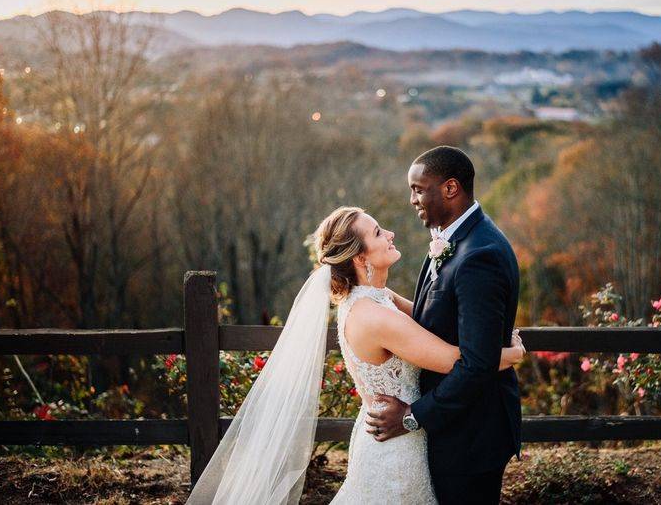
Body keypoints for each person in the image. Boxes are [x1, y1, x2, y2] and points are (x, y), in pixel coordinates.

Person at [185, 202, 525, 504]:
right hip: (396, 446)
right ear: (360, 257)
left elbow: (428, 325)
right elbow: (455, 359)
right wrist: (511, 354)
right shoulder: (374, 316)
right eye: (378, 233)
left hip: (395, 434)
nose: (390, 234)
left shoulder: (377, 298)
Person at [366, 145, 523, 504]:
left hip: (471, 436)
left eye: (419, 189)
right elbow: (431, 315)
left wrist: (410, 416)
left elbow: (478, 364)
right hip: (456, 431)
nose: (412, 199)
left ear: (450, 188)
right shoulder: (453, 238)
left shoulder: (478, 256)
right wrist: (373, 295)